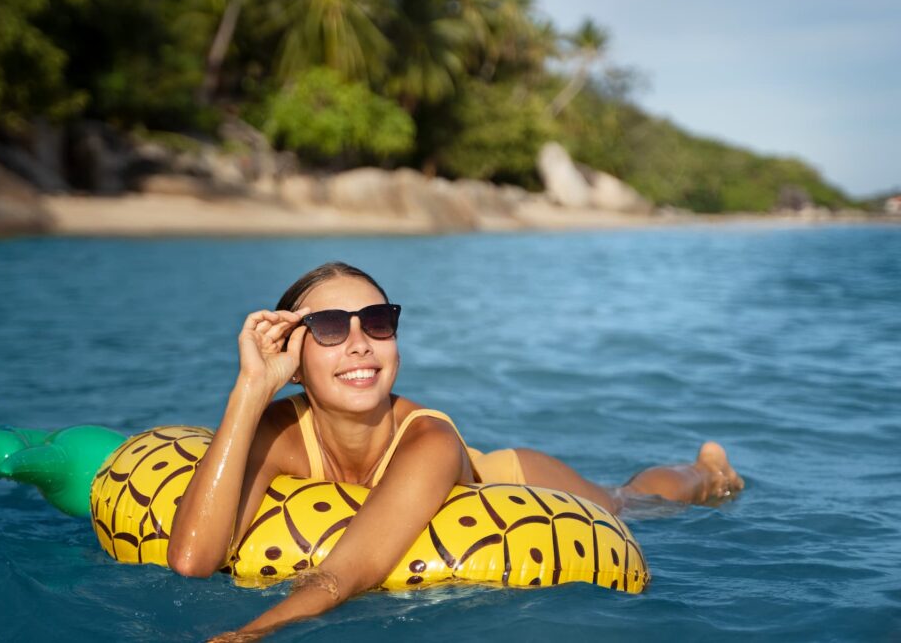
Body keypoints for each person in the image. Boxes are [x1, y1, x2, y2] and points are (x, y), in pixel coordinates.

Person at [168, 262, 743, 640]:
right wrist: (251, 387)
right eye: (329, 327)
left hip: (512, 479)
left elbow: (341, 576)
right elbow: (192, 559)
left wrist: (251, 633)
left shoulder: (430, 440)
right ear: (292, 357)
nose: (360, 344)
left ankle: (706, 470)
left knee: (630, 500)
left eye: (377, 321)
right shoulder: (277, 430)